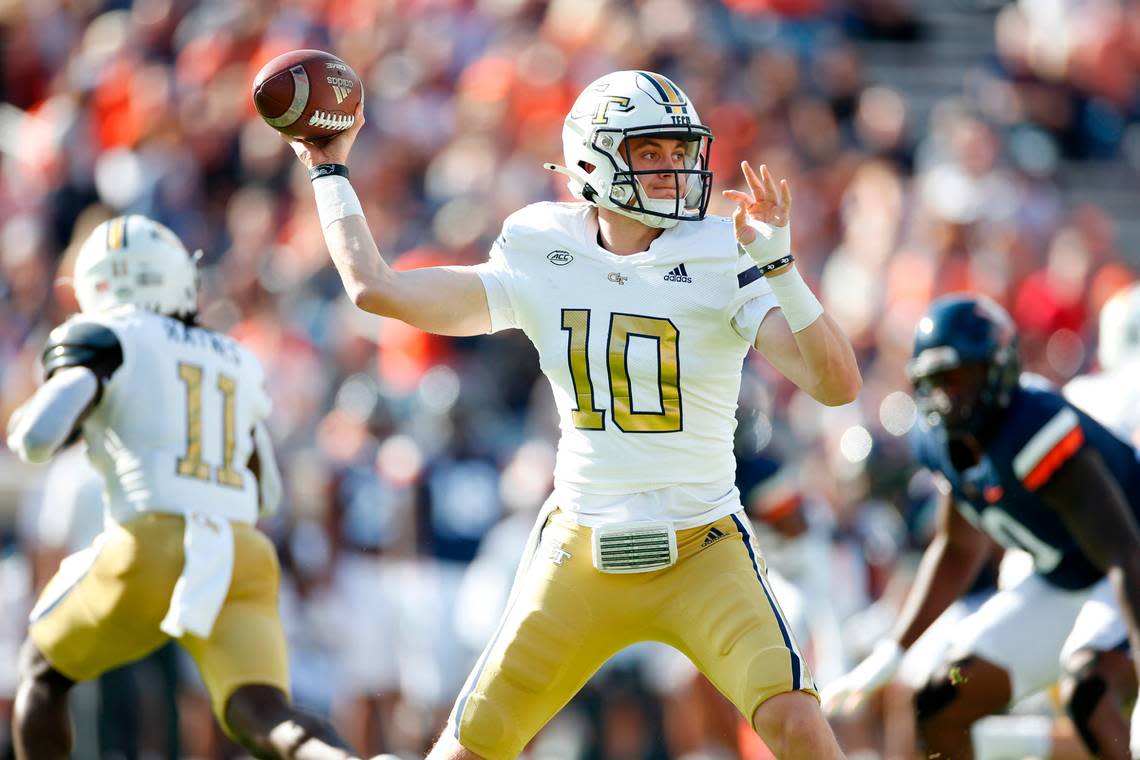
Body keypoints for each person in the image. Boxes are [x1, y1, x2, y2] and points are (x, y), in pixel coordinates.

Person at [288, 69, 861, 760]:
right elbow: (375, 290)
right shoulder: (541, 245)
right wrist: (329, 170)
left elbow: (836, 385)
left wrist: (783, 267)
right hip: (582, 549)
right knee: (468, 749)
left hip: (702, 545)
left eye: (679, 151)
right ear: (592, 161)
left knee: (798, 725)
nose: (672, 168)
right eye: (648, 152)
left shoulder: (723, 251)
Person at [5, 214, 361, 760]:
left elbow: (35, 439)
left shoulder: (108, 333)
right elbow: (266, 495)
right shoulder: (233, 355)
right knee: (265, 716)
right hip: (242, 553)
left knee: (40, 675)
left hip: (151, 543)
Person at [821, 294, 1140, 760]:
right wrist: (894, 650)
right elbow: (957, 549)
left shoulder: (1032, 427)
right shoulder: (942, 440)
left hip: (1127, 569)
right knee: (942, 696)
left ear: (997, 368)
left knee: (1088, 691)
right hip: (1070, 578)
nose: (947, 396)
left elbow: (1122, 553)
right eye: (934, 382)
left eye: (958, 377)